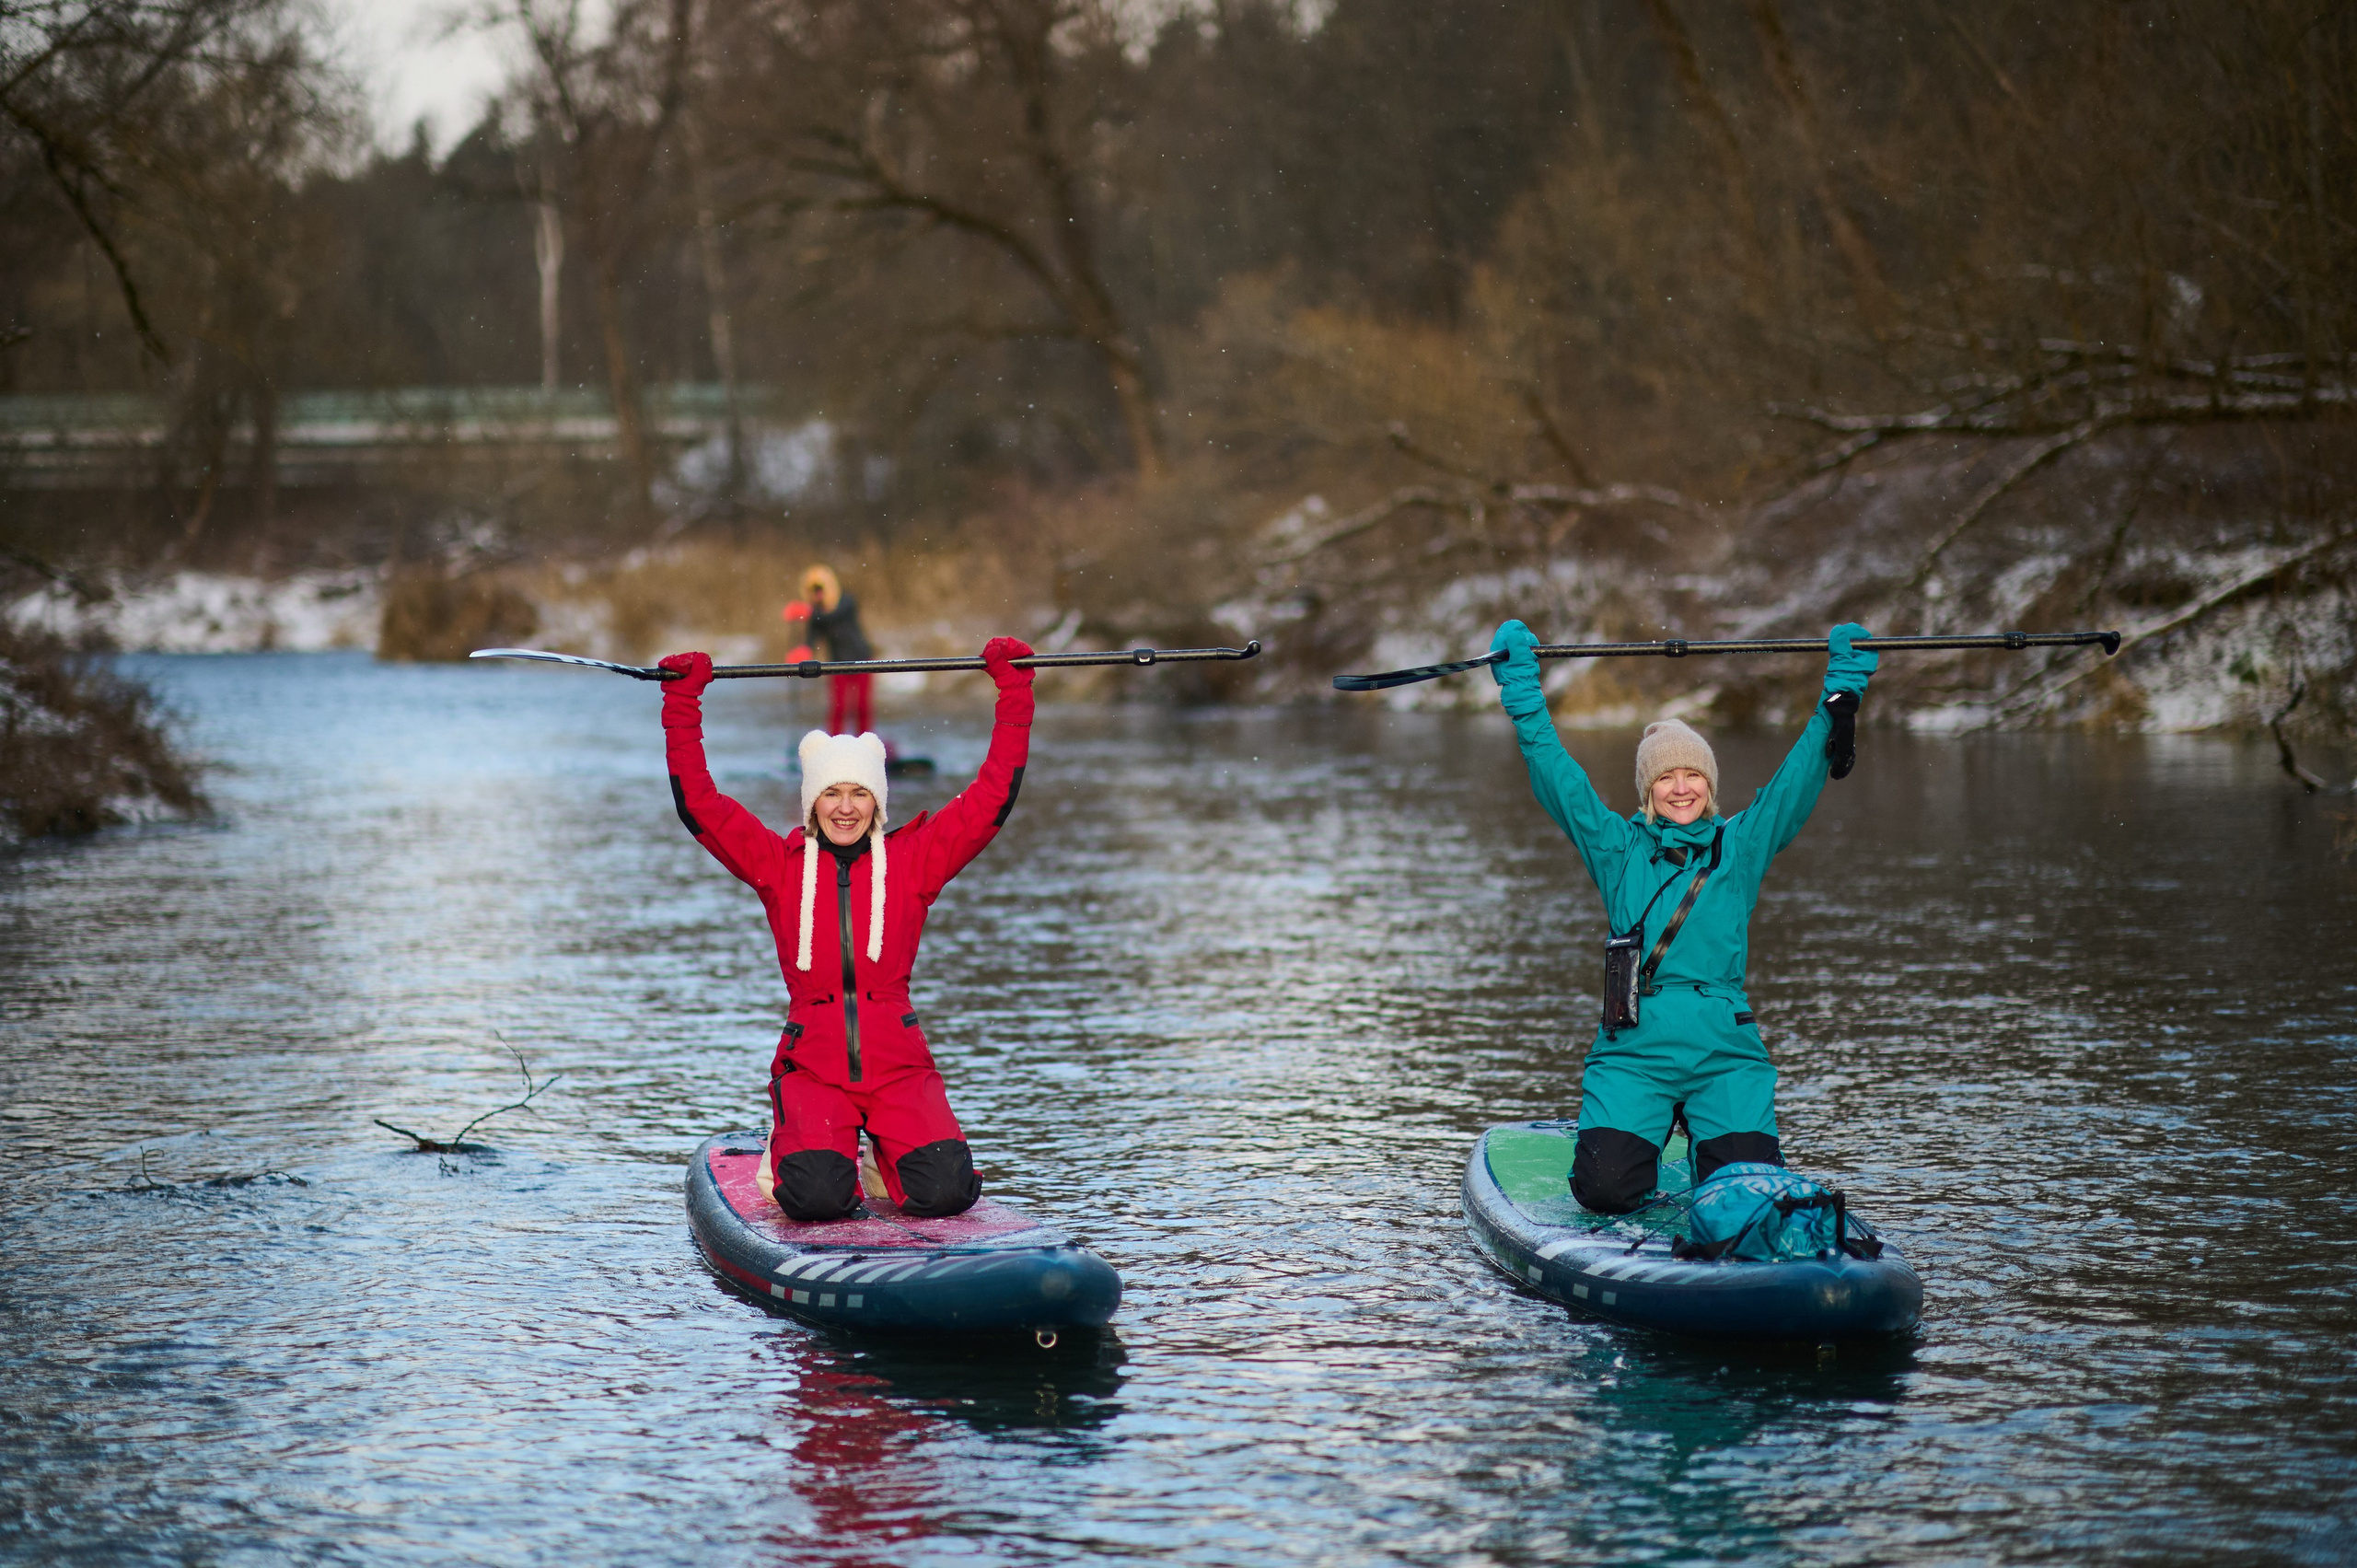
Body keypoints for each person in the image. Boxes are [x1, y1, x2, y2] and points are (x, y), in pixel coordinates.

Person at [1489, 618, 1879, 1214]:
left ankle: (1704, 1154)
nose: (1680, 788)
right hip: (1635, 1049)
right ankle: (1644, 1148)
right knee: (1605, 1191)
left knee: (1745, 1200)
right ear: (1648, 791)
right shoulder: (1617, 849)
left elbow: (1796, 779)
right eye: (1665, 777)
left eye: (1692, 774)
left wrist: (1840, 687)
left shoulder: (1740, 846)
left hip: (1724, 1050)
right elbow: (1556, 774)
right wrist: (1522, 690)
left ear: (1709, 784)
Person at [657, 635, 1036, 1221]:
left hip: (898, 1065)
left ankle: (882, 1158)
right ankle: (789, 1149)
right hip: (813, 1069)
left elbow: (992, 797)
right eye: (831, 793)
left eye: (859, 793)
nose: (845, 807)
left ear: (876, 802)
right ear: (812, 801)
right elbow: (700, 805)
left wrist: (1014, 692)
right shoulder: (778, 866)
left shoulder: (915, 860)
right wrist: (683, 705)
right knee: (815, 1200)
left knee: (947, 1193)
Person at [784, 564, 877, 736]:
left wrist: (808, 612)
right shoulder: (817, 612)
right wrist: (804, 650)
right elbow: (813, 634)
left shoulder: (846, 601)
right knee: (838, 708)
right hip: (837, 662)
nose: (818, 594)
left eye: (820, 589)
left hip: (861, 658)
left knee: (862, 707)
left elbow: (834, 615)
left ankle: (864, 740)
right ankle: (835, 741)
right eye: (814, 591)